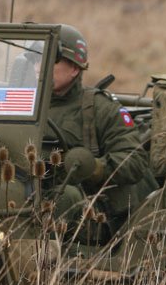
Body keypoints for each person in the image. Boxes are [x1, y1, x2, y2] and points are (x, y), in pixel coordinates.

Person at [44, 26, 156, 243]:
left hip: (92, 213)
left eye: (52, 60)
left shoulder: (99, 109)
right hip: (29, 194)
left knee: (67, 197)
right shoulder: (22, 104)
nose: (41, 67)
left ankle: (38, 261)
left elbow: (134, 160)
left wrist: (94, 168)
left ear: (75, 68)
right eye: (38, 59)